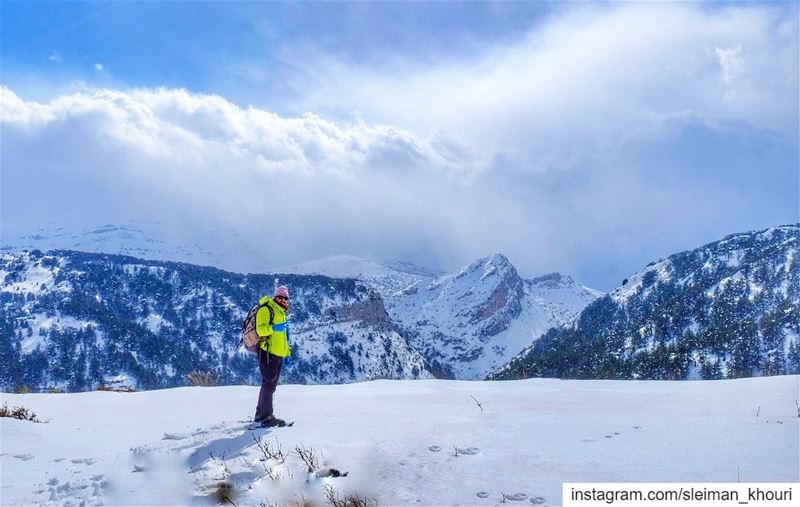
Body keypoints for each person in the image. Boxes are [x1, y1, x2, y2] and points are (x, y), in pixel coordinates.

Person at [253, 285, 292, 427]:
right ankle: (266, 417)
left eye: (285, 298)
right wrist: (273, 328)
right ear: (275, 297)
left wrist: (287, 354)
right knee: (269, 386)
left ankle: (260, 414)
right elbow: (260, 330)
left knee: (269, 385)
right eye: (280, 297)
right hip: (267, 353)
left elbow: (284, 338)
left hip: (278, 355)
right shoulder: (266, 309)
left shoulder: (281, 313)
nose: (283, 300)